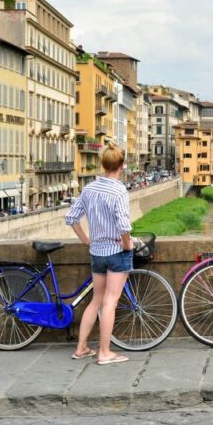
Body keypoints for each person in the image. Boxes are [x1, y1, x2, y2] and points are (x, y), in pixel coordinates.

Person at [65, 144, 134, 365]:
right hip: (115, 250)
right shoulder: (119, 190)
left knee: (95, 301)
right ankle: (105, 352)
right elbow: (124, 225)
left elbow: (71, 219)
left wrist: (87, 241)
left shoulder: (89, 189)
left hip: (97, 252)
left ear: (103, 165)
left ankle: (81, 348)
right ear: (121, 166)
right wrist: (127, 245)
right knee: (110, 303)